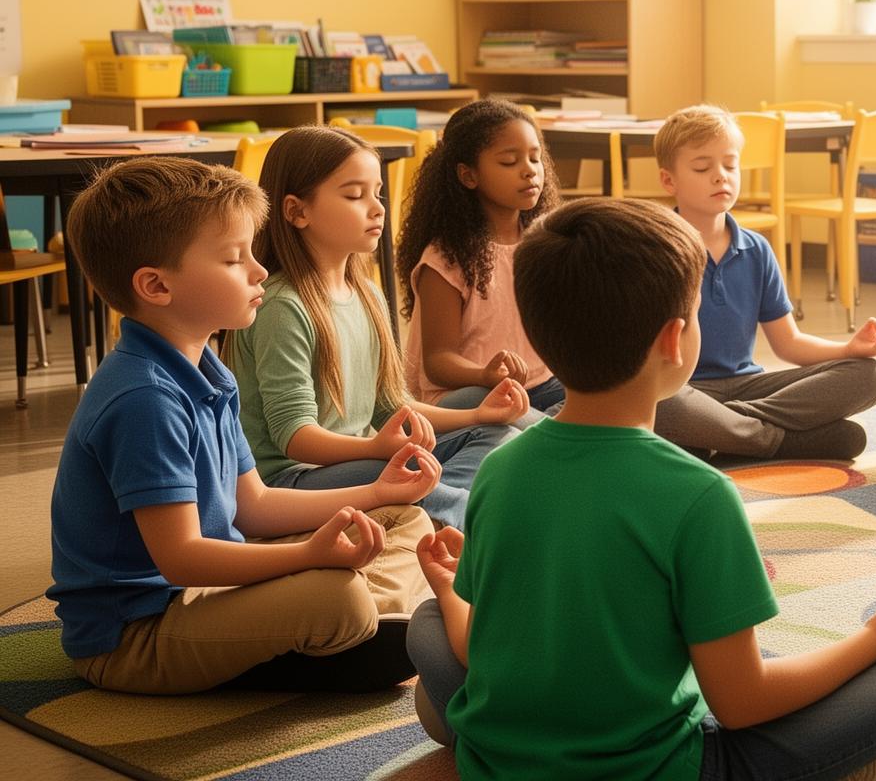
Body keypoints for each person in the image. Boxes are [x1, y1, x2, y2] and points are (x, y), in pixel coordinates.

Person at [405, 198, 876, 779]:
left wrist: (448, 588)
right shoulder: (699, 494)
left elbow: (481, 649)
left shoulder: (501, 468)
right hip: (659, 769)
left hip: (501, 758)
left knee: (430, 621)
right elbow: (743, 704)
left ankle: (455, 725)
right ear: (675, 339)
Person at [48, 158, 435, 694]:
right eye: (235, 259)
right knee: (335, 594)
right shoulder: (144, 399)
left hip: (207, 593)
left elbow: (252, 504)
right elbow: (180, 558)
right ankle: (355, 623)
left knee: (402, 517)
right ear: (157, 286)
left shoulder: (209, 368)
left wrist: (375, 490)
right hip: (138, 636)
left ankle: (359, 626)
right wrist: (307, 558)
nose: (259, 271)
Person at [231, 127, 528, 531]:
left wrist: (477, 413)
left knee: (496, 430)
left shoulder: (366, 293)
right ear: (296, 211)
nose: (376, 209)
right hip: (294, 479)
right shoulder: (283, 306)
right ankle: (458, 513)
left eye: (377, 193)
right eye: (355, 195)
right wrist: (375, 447)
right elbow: (294, 437)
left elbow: (391, 406)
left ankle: (440, 506)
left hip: (360, 459)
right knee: (387, 469)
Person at [649, 105, 876, 461]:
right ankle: (780, 441)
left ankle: (726, 434)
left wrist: (849, 349)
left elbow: (788, 343)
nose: (721, 176)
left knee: (869, 375)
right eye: (703, 167)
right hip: (683, 389)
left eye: (730, 166)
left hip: (749, 388)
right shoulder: (655, 248)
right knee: (662, 404)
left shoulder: (757, 249)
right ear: (669, 181)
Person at [401, 100, 565, 413]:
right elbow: (437, 362)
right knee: (520, 415)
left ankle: (548, 433)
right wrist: (485, 375)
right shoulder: (446, 258)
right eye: (509, 162)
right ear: (468, 176)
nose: (529, 170)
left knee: (615, 396)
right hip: (468, 393)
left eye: (535, 158)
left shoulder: (544, 241)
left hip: (539, 387)